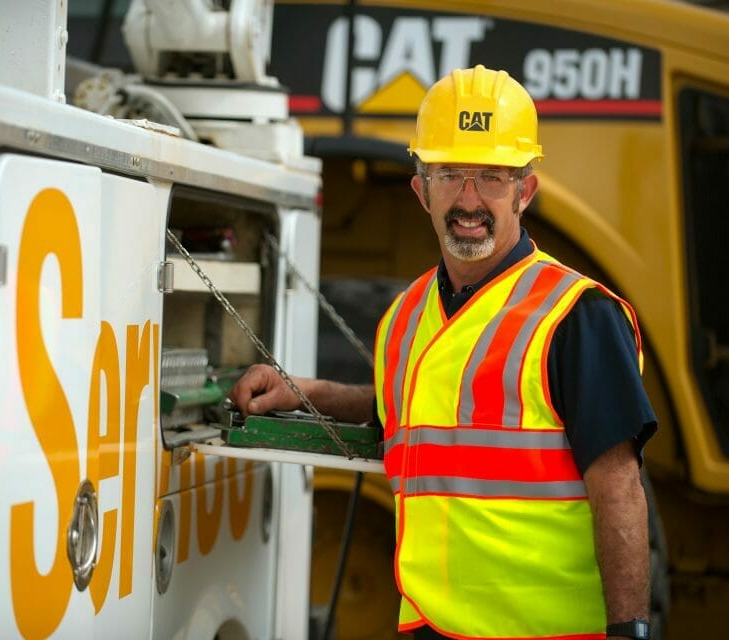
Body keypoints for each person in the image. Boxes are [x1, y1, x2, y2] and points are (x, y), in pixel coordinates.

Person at [229, 65, 657, 640]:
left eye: (492, 177)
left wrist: (629, 632)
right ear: (420, 189)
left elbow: (620, 489)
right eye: (451, 174)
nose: (470, 199)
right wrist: (306, 392)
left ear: (525, 191)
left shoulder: (576, 316)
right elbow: (404, 412)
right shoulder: (405, 317)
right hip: (430, 628)